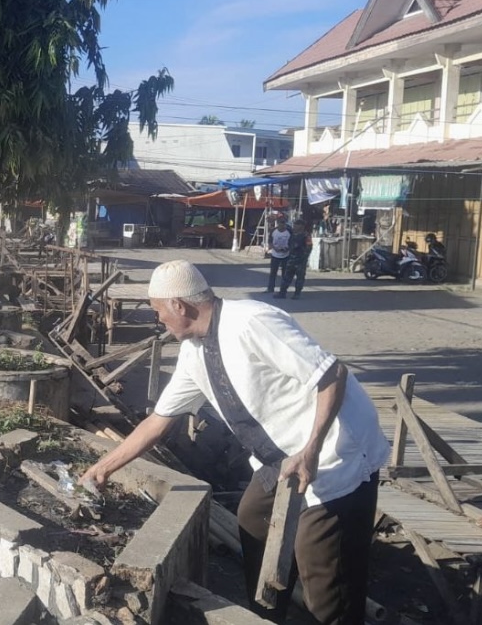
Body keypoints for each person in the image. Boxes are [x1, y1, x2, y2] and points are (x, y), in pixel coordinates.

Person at [81, 260, 388, 625]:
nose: (158, 319)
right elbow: (158, 422)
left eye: (158, 310)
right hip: (281, 457)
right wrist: (102, 469)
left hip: (335, 452)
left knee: (322, 569)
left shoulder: (251, 322)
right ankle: (269, 611)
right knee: (254, 517)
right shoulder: (195, 353)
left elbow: (332, 373)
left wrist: (311, 451)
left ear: (180, 305)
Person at [277, 219, 311, 300]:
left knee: (300, 278)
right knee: (286, 277)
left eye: (296, 225)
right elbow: (290, 246)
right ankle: (282, 293)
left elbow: (309, 248)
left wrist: (303, 258)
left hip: (300, 261)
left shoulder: (306, 236)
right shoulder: (293, 235)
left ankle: (297, 294)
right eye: (294, 225)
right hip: (291, 259)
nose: (294, 226)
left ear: (301, 226)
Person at [266, 216, 290, 294]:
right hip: (275, 255)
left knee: (285, 274)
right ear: (278, 223)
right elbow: (270, 242)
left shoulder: (289, 231)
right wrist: (274, 248)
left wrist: (288, 248)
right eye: (281, 222)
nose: (282, 225)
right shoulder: (274, 231)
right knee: (273, 272)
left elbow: (292, 242)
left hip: (286, 255)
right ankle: (270, 288)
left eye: (284, 223)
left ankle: (283, 290)